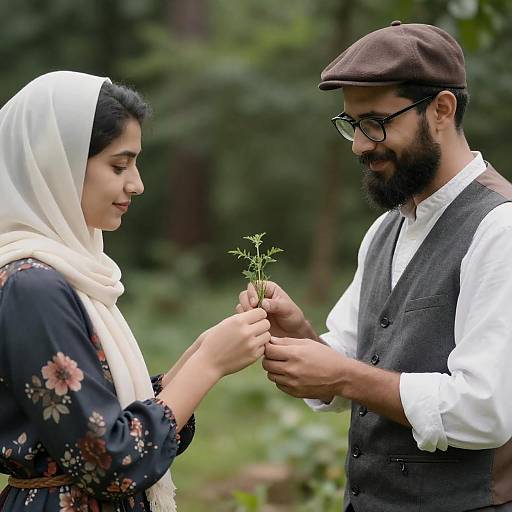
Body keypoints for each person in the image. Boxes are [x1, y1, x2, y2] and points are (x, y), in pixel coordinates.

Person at [238, 22, 512, 512]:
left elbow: (485, 410)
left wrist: (344, 376)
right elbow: (356, 360)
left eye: (376, 122)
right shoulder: (386, 228)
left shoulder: (500, 228)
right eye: (351, 124)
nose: (359, 145)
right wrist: (297, 334)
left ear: (441, 110)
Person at [0, 71, 271, 512]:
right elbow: (111, 459)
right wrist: (209, 362)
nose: (136, 184)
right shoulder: (33, 285)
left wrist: (202, 349)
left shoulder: (66, 274)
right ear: (58, 165)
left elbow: (111, 418)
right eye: (118, 165)